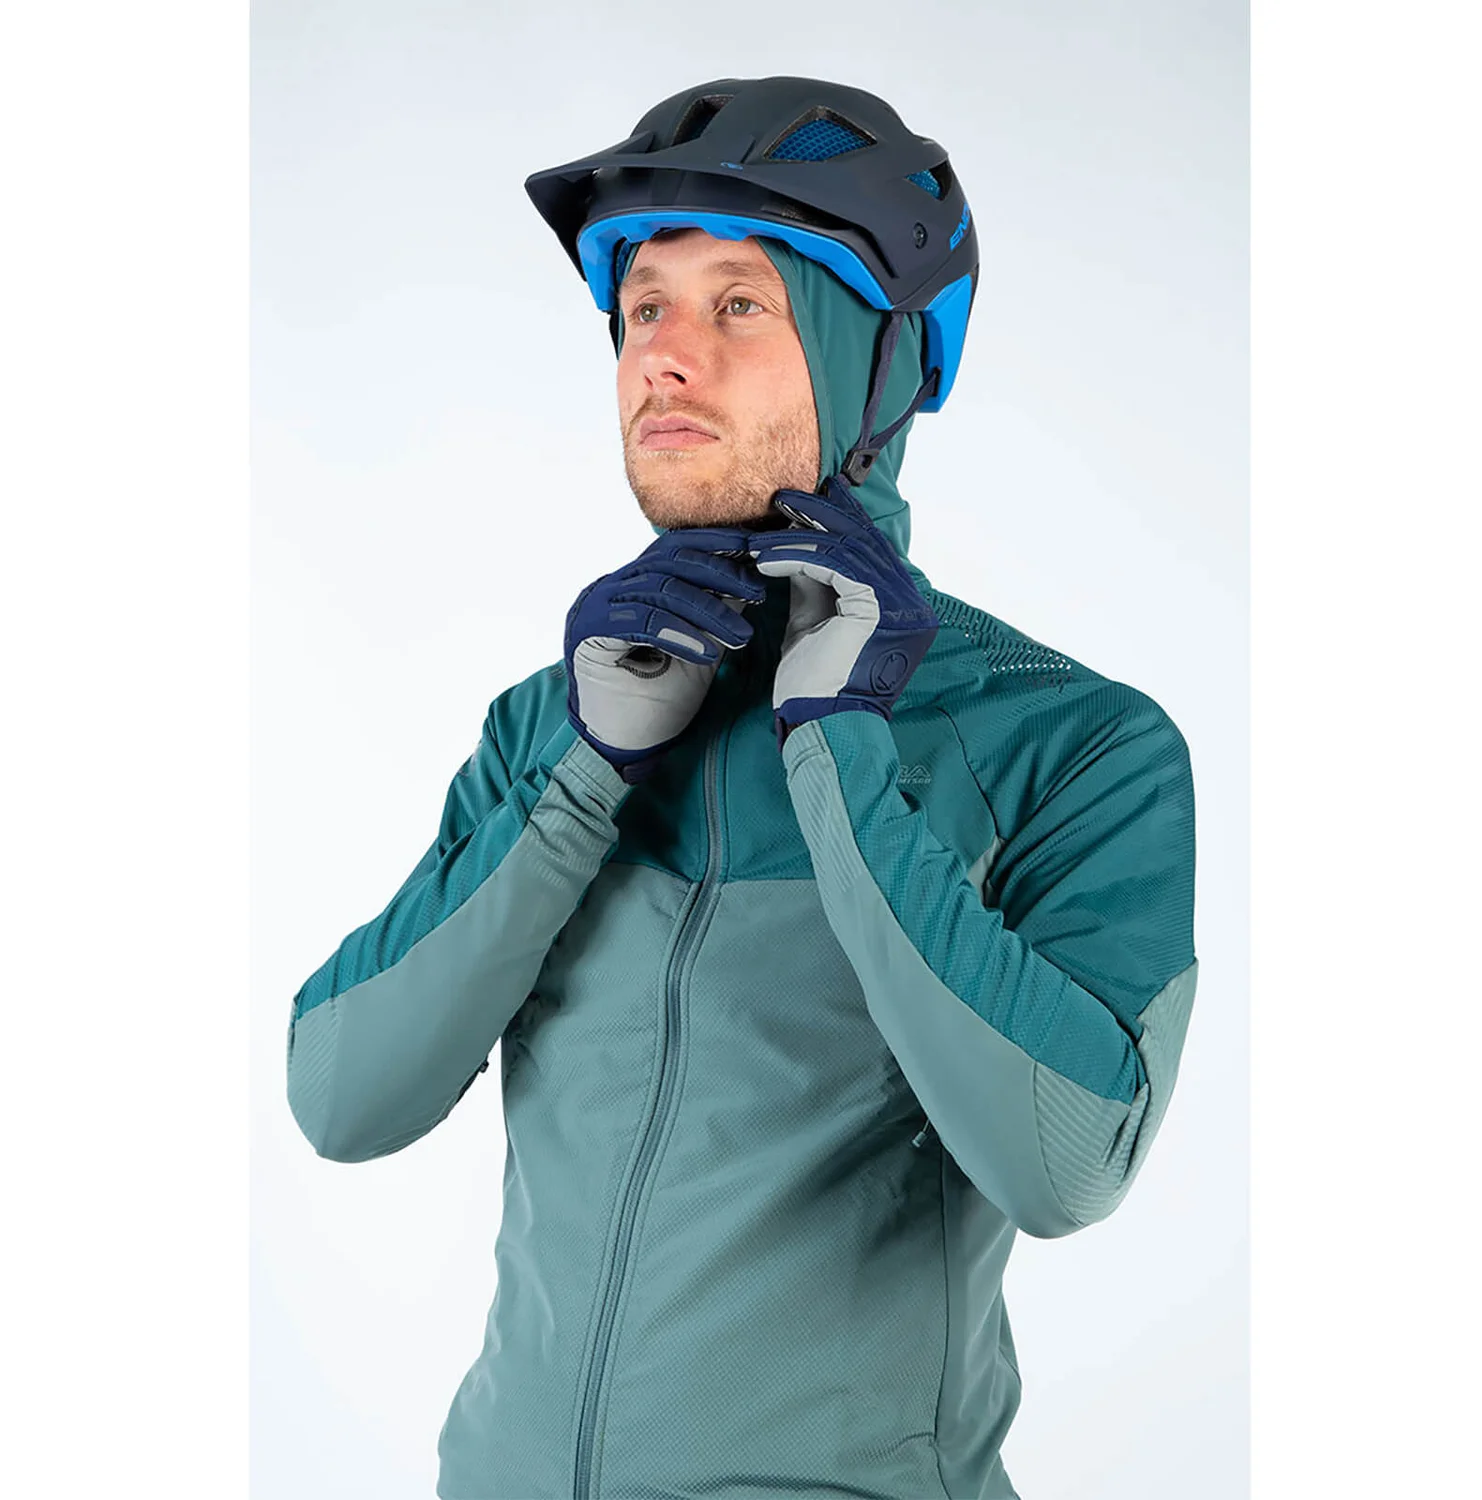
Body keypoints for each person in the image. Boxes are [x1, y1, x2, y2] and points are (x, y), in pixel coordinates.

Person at [286, 75, 1199, 1500]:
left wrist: (839, 748)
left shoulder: (1072, 745)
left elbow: (1063, 1164)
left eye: (739, 306)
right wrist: (582, 778)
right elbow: (342, 1100)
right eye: (644, 306)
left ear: (877, 362)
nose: (663, 355)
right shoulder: (554, 724)